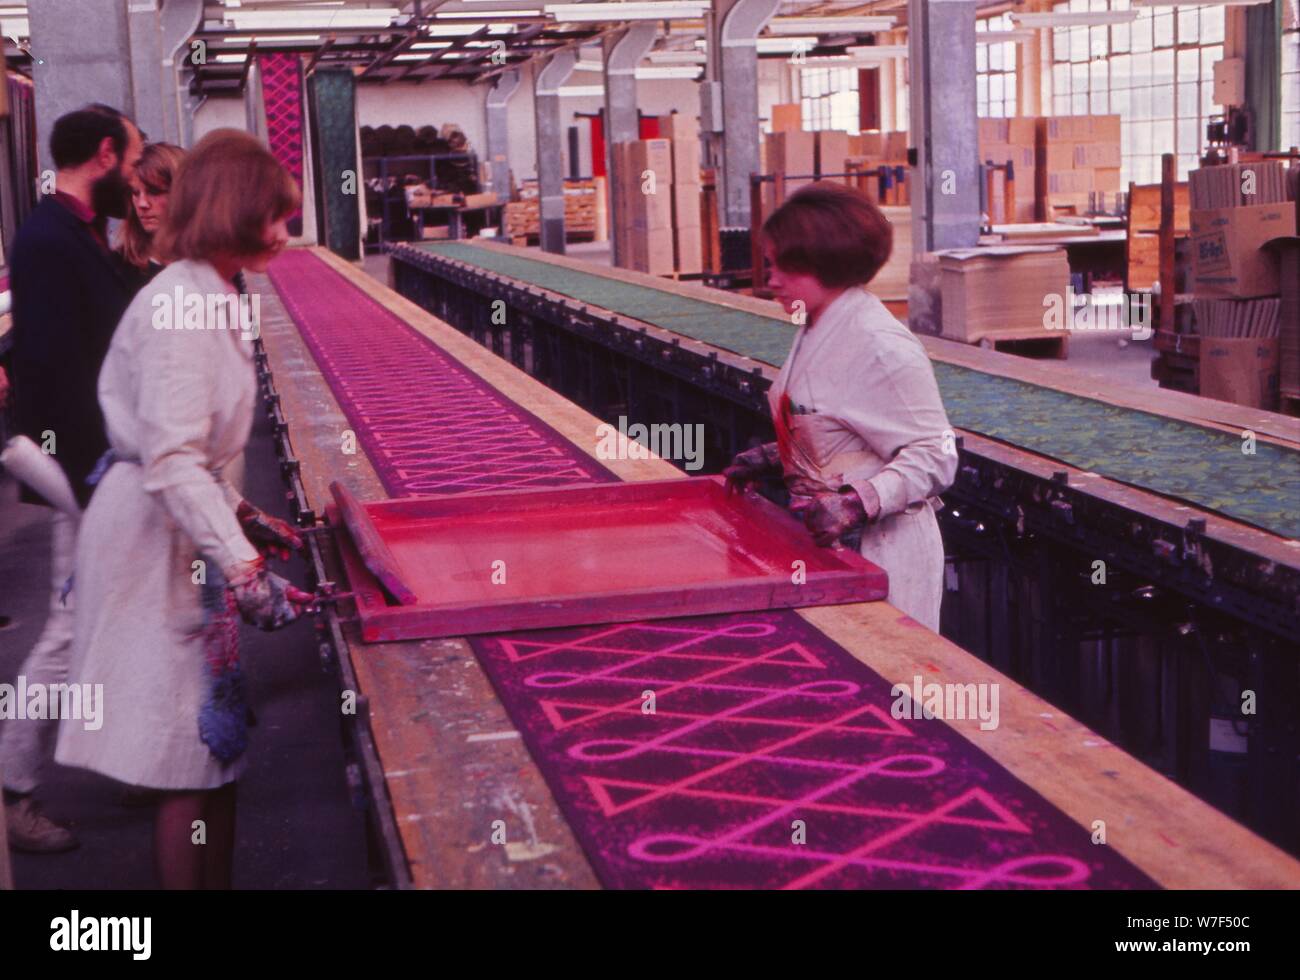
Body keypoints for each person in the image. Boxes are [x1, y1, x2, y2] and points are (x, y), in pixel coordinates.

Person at [54, 129, 313, 890]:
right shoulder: (180, 306)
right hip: (147, 543)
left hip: (174, 527)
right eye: (277, 218)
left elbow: (189, 449)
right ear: (237, 213)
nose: (285, 235)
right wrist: (240, 564)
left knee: (216, 752)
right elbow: (168, 459)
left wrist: (245, 516)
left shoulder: (215, 292)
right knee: (184, 759)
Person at [1, 103, 143, 853]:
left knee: (100, 618)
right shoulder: (54, 239)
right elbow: (53, 369)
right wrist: (93, 483)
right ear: (105, 153)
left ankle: (124, 758)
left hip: (85, 463)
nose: (137, 181)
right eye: (133, 161)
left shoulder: (68, 232)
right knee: (65, 629)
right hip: (78, 468)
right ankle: (12, 790)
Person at [724, 183, 957, 631]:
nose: (770, 281)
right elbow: (840, 424)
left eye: (783, 268)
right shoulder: (816, 325)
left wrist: (858, 502)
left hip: (879, 549)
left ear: (823, 266)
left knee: (888, 685)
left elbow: (937, 455)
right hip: (830, 546)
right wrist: (782, 458)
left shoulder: (880, 346)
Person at [113, 141, 186, 293]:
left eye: (154, 191)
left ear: (181, 193)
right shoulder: (119, 267)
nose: (142, 204)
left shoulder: (215, 260)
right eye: (135, 193)